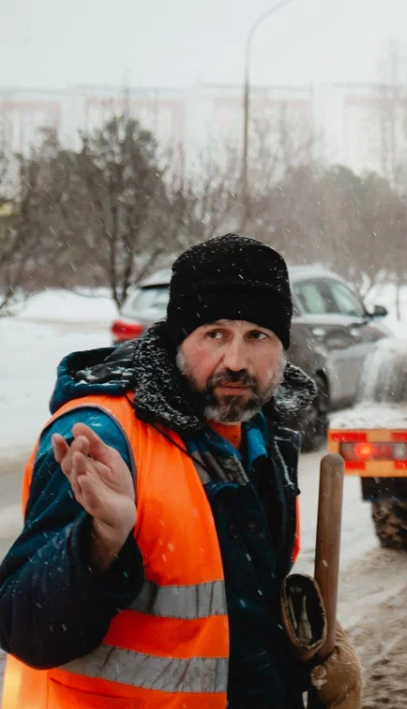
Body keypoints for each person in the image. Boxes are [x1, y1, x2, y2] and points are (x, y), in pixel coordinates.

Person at [0, 234, 362, 708]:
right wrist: (100, 544)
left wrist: (301, 661)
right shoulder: (101, 440)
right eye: (215, 334)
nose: (236, 361)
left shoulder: (259, 434)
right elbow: (25, 629)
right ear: (178, 339)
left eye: (258, 336)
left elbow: (235, 609)